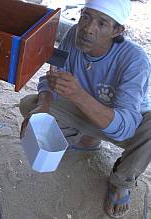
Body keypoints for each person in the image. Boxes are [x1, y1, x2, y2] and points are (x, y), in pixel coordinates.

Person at [19, 0, 151, 218]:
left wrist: (78, 95)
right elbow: (51, 80)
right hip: (84, 108)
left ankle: (122, 181)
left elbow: (126, 128)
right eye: (86, 17)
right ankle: (87, 139)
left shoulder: (135, 60)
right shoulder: (74, 35)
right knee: (31, 105)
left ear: (117, 31)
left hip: (126, 123)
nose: (88, 28)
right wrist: (43, 107)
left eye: (102, 23)